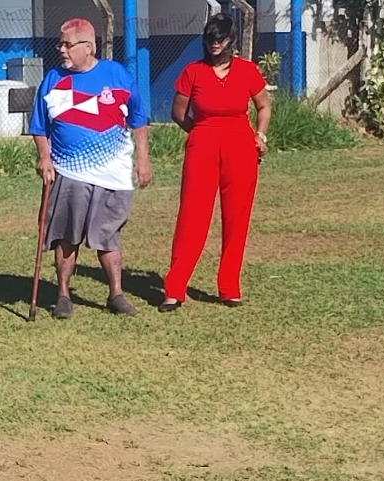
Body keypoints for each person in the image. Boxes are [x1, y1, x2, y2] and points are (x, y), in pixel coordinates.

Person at [29, 18, 152, 319]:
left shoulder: (117, 75)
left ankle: (116, 294)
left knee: (108, 234)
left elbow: (138, 119)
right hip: (68, 171)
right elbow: (39, 126)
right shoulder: (53, 79)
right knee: (66, 235)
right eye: (60, 44)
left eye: (68, 44)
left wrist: (143, 159)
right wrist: (44, 157)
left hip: (113, 173)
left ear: (88, 47)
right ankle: (63, 295)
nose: (61, 50)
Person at [159, 13, 272, 313]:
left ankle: (229, 287)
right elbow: (179, 112)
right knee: (192, 216)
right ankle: (175, 288)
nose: (214, 44)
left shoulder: (247, 70)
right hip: (203, 146)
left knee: (237, 217)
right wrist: (200, 132)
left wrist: (260, 135)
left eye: (220, 39)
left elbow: (264, 105)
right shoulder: (193, 72)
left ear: (231, 40)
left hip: (241, 147)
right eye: (210, 39)